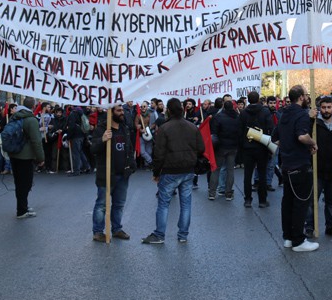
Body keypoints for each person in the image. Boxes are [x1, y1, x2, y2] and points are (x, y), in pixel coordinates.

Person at [142, 98, 204, 244]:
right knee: (186, 203)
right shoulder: (192, 127)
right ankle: (183, 235)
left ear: (168, 110)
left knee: (163, 203)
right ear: (182, 109)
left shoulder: (164, 128)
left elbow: (158, 154)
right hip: (188, 170)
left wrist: (156, 173)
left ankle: (159, 235)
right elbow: (201, 148)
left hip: (169, 171)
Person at [272, 85, 319, 252]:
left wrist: (288, 148)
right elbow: (301, 135)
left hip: (286, 165)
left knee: (288, 202)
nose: (308, 97)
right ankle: (299, 241)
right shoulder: (301, 114)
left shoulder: (284, 114)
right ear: (300, 97)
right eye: (306, 95)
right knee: (301, 203)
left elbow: (275, 138)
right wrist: (313, 143)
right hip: (300, 165)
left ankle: (288, 238)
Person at [91, 105, 136, 242]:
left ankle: (116, 229)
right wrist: (102, 140)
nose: (122, 113)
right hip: (107, 173)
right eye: (119, 110)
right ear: (111, 113)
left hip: (123, 174)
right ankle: (98, 232)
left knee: (119, 204)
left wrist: (132, 165)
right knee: (102, 204)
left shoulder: (125, 128)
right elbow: (93, 149)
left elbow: (129, 148)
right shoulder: (101, 129)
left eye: (122, 110)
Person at [306, 96, 332, 238]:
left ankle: (331, 226)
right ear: (319, 108)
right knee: (312, 201)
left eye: (329, 107)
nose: (326, 110)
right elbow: (305, 135)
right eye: (323, 107)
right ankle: (309, 227)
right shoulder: (315, 123)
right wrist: (310, 120)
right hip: (317, 168)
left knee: (331, 201)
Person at [9, 97, 45, 219]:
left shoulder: (15, 116)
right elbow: (36, 141)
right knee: (26, 184)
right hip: (25, 156)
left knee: (19, 183)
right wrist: (41, 158)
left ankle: (23, 206)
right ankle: (22, 210)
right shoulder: (30, 119)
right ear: (34, 106)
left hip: (14, 153)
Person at [240, 91, 274, 208]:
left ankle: (248, 199)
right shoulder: (265, 111)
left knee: (247, 174)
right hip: (262, 146)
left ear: (248, 100)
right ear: (258, 99)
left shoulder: (243, 113)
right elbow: (270, 128)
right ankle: (262, 200)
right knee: (262, 173)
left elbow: (240, 131)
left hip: (247, 147)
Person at [208, 100, 241, 201]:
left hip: (220, 147)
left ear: (223, 107)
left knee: (216, 169)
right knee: (230, 170)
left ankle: (212, 193)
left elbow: (214, 132)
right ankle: (228, 193)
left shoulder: (218, 117)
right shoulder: (237, 117)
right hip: (233, 147)